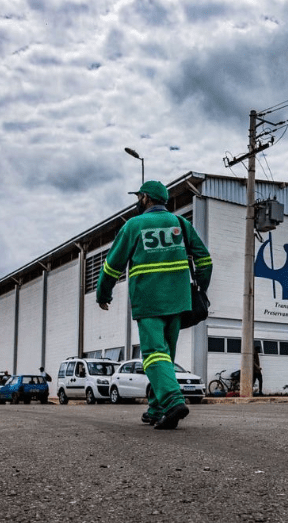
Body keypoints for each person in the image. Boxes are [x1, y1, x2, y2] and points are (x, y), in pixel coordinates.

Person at [96, 180, 212, 430]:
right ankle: (156, 408)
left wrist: (103, 293)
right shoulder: (181, 224)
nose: (138, 201)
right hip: (179, 302)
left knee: (152, 355)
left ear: (146, 198)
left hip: (148, 301)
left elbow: (112, 265)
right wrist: (201, 287)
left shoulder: (134, 225)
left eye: (139, 197)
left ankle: (173, 402)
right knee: (165, 356)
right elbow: (204, 260)